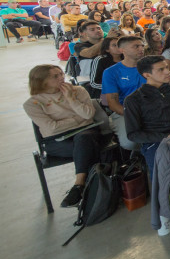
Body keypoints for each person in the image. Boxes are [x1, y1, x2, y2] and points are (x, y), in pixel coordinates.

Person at [24, 65, 108, 207]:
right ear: (41, 81)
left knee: (83, 140)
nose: (61, 77)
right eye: (55, 76)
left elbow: (88, 115)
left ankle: (79, 185)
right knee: (85, 147)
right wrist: (77, 119)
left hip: (86, 132)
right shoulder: (33, 103)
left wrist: (71, 99)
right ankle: (92, 188)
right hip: (56, 141)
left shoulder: (78, 91)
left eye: (61, 73)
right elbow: (51, 128)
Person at [101, 36, 146, 150]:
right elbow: (113, 104)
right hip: (125, 112)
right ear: (122, 50)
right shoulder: (111, 72)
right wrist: (135, 115)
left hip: (153, 109)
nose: (141, 49)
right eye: (136, 46)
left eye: (142, 46)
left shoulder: (150, 67)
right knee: (130, 142)